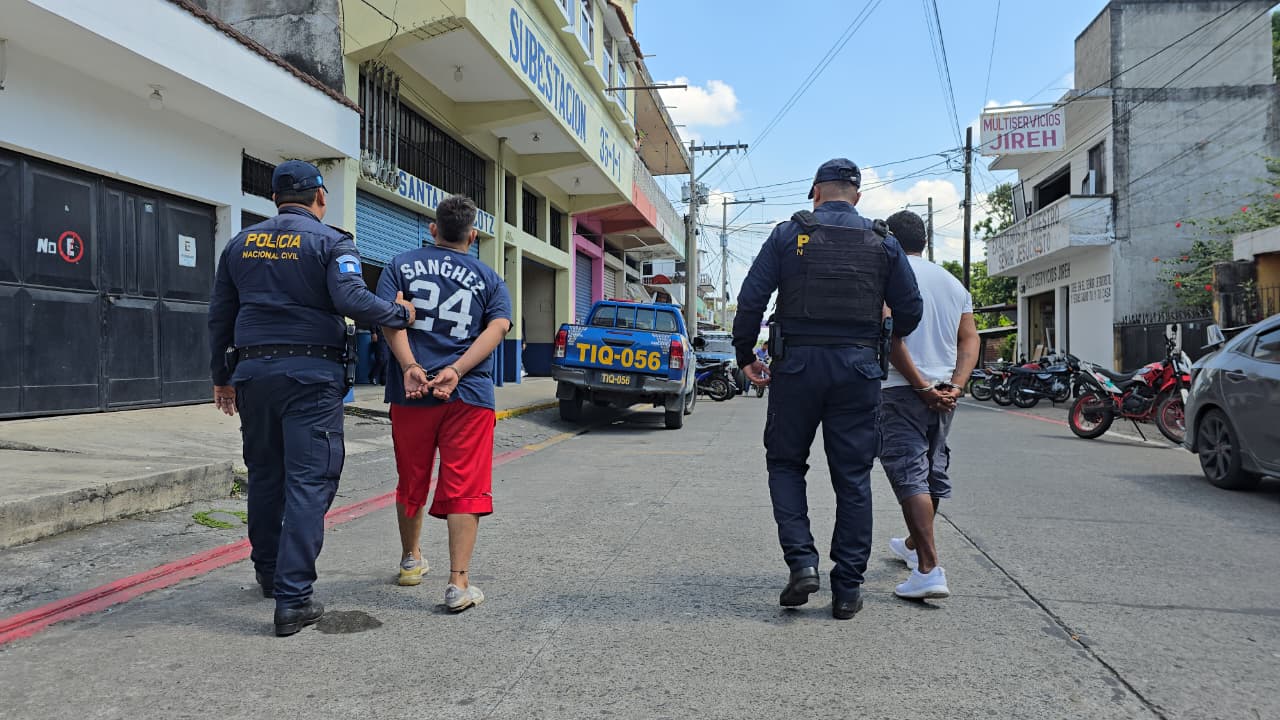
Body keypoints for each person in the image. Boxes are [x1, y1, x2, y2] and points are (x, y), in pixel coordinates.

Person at [208, 160, 416, 636]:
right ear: (320, 197)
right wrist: (398, 313)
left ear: (275, 198)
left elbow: (220, 315)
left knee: (265, 475)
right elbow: (350, 298)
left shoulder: (240, 243)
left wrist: (222, 377)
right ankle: (293, 597)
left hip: (253, 375)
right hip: (310, 378)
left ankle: (268, 574)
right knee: (309, 480)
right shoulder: (330, 241)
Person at [733, 158, 923, 620]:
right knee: (853, 477)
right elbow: (911, 311)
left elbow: (751, 300)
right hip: (858, 370)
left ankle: (802, 565)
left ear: (814, 191)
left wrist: (745, 356)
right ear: (856, 196)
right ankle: (847, 590)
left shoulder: (787, 234)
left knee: (784, 463)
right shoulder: (883, 241)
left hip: (796, 366)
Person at [376, 195, 512, 613]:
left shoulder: (399, 264)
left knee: (411, 479)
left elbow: (388, 318)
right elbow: (498, 327)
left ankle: (411, 560)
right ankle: (458, 584)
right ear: (473, 236)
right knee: (465, 486)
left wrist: (410, 365)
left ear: (432, 229)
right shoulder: (490, 278)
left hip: (411, 392)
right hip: (468, 394)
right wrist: (457, 369)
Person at [879, 210, 979, 600]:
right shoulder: (953, 284)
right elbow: (970, 340)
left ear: (889, 239)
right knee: (932, 470)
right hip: (944, 393)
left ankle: (929, 568)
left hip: (902, 389)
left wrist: (920, 387)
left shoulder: (889, 277)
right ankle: (911, 545)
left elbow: (890, 338)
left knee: (910, 474)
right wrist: (955, 385)